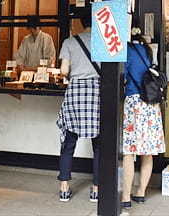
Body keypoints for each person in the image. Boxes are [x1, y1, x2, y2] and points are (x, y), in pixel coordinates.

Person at [56, 11, 100, 203]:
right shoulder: (103, 42)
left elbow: (64, 70)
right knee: (99, 144)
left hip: (75, 93)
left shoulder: (70, 42)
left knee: (68, 142)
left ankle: (64, 187)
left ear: (81, 23)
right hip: (97, 93)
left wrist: (73, 75)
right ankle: (96, 189)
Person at [121, 26, 166, 209]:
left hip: (133, 102)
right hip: (151, 104)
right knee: (147, 151)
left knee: (129, 151)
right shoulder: (148, 50)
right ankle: (140, 193)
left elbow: (121, 75)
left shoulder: (126, 51)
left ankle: (125, 197)